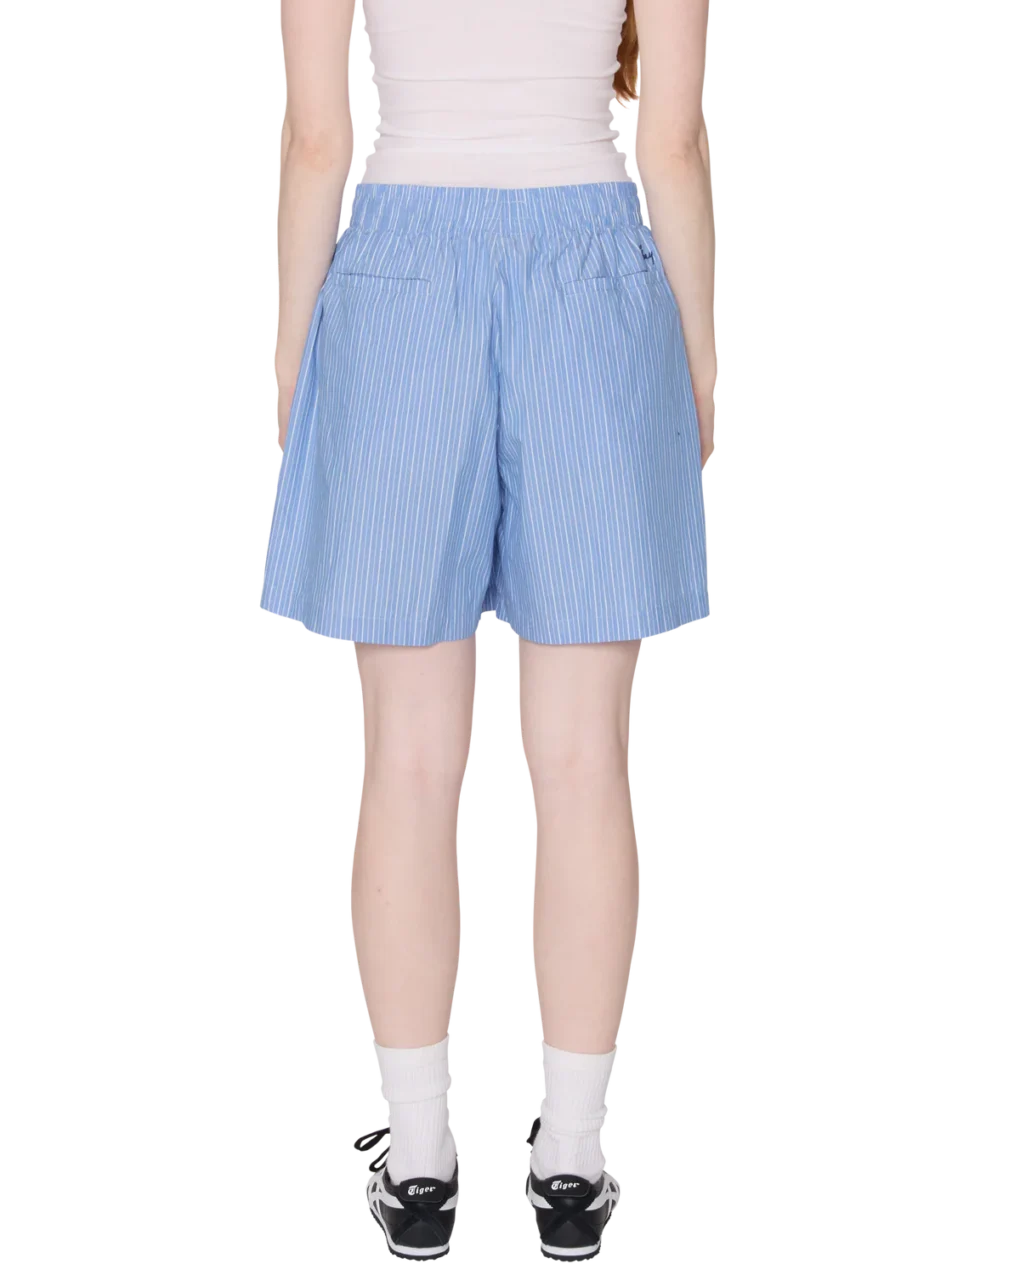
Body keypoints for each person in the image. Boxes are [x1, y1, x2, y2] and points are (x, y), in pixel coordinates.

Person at [266, 0, 715, 1259]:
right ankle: (572, 1162)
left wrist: (296, 378)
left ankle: (418, 1165)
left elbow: (316, 141)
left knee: (407, 759)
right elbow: (673, 143)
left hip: (399, 278)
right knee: (585, 760)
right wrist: (697, 378)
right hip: (594, 276)